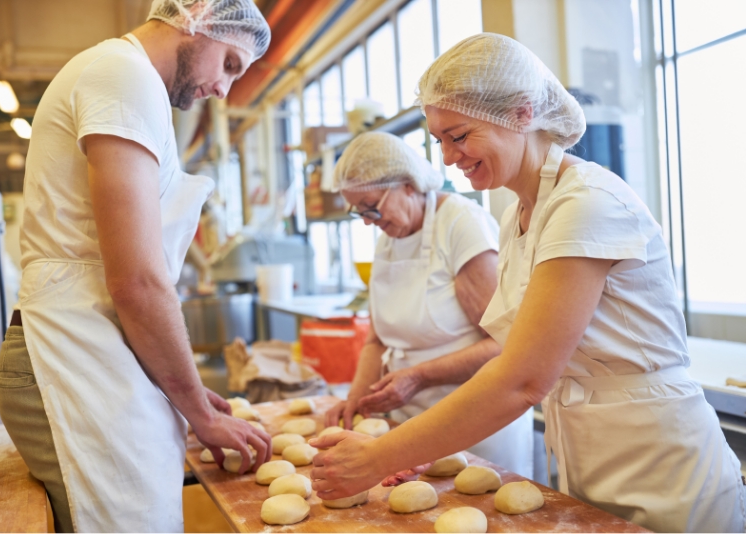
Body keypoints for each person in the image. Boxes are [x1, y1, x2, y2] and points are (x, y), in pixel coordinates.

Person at [310, 34, 746, 533]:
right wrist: (421, 446)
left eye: (459, 136)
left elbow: (522, 377)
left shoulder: (586, 204)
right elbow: (512, 350)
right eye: (440, 142)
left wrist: (379, 457)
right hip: (590, 456)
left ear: (520, 114)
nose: (449, 159)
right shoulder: (519, 216)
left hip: (663, 466)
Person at [0, 1, 272, 532]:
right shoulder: (122, 76)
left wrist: (181, 385)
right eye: (230, 64)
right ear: (195, 15)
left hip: (90, 351)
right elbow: (137, 281)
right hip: (67, 355)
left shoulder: (129, 82)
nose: (223, 89)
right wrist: (201, 413)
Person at [325, 132, 534, 478]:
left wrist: (419, 377)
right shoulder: (388, 237)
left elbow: (505, 344)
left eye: (371, 206)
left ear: (408, 185)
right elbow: (377, 340)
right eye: (357, 211)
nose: (366, 220)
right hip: (410, 422)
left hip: (477, 422)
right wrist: (355, 403)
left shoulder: (461, 226)